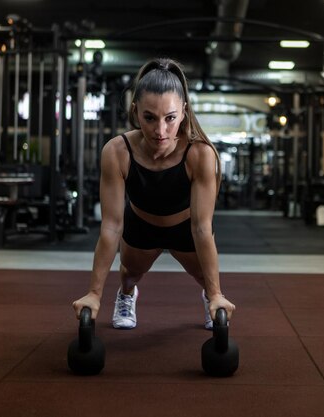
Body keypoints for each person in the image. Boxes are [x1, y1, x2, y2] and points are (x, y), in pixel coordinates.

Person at [72, 57, 236, 330]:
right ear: (136, 112)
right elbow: (112, 226)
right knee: (130, 276)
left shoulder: (200, 154)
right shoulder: (117, 151)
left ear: (183, 111)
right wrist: (94, 293)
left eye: (170, 118)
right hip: (141, 225)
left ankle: (210, 298)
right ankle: (126, 296)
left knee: (205, 279)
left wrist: (217, 294)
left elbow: (202, 228)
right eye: (149, 118)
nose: (160, 131)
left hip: (186, 227)